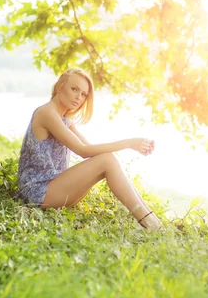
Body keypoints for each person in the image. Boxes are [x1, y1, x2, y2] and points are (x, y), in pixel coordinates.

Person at [17, 67, 163, 230]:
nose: (79, 97)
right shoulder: (47, 113)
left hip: (54, 191)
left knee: (108, 160)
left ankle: (152, 220)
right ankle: (150, 223)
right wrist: (129, 143)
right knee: (107, 160)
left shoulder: (64, 119)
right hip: (37, 192)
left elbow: (88, 148)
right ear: (60, 87)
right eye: (74, 89)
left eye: (84, 94)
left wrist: (133, 144)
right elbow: (82, 151)